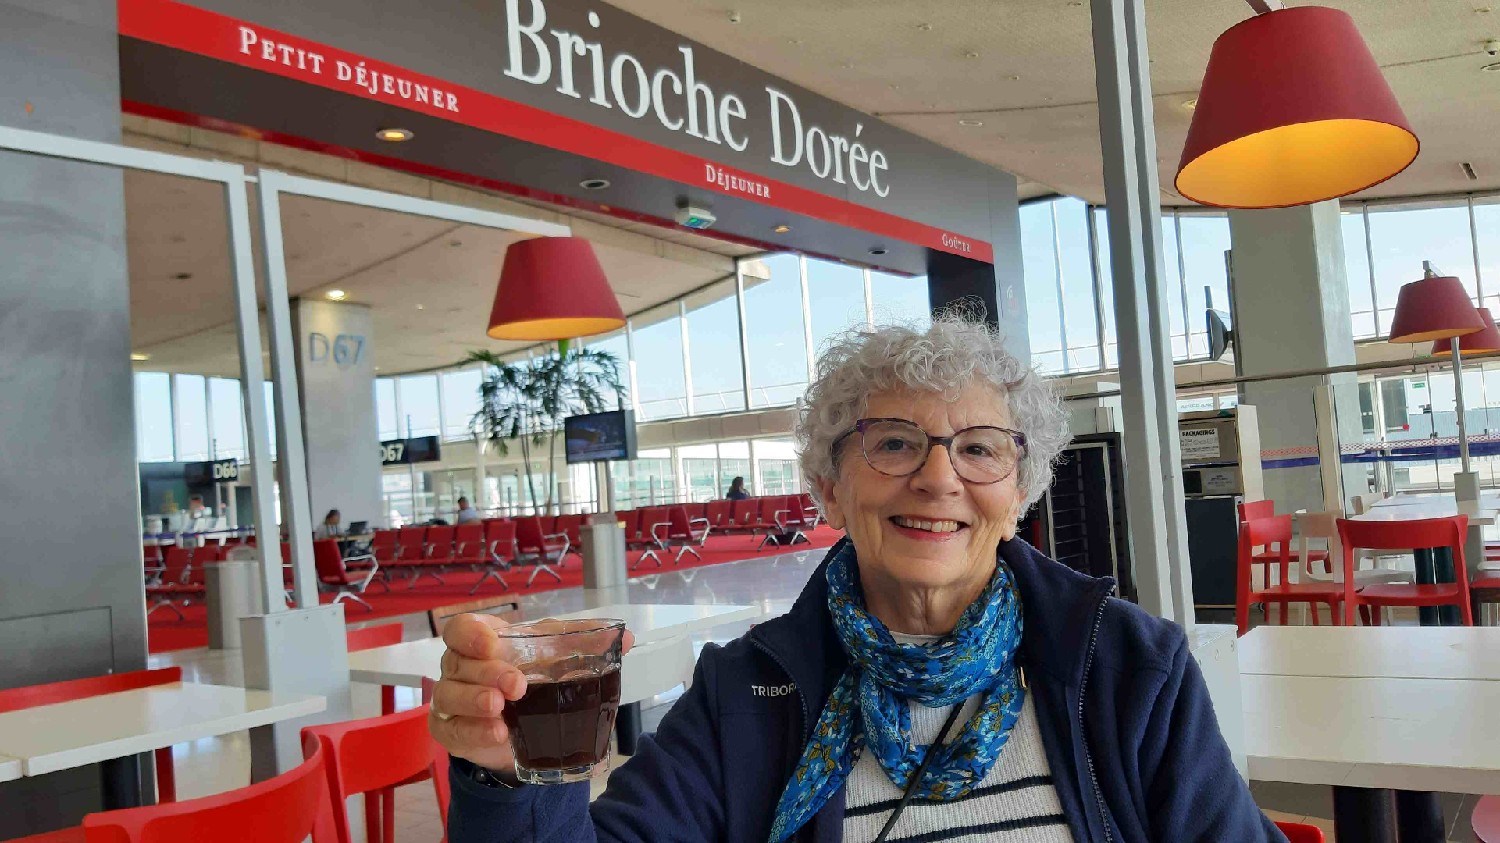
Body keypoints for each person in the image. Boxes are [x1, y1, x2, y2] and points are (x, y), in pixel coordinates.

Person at [431, 316, 1284, 842]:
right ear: (830, 487)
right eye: (894, 441)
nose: (940, 477)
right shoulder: (747, 694)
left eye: (979, 446)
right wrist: (514, 777)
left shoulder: (1128, 667)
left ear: (1018, 491)